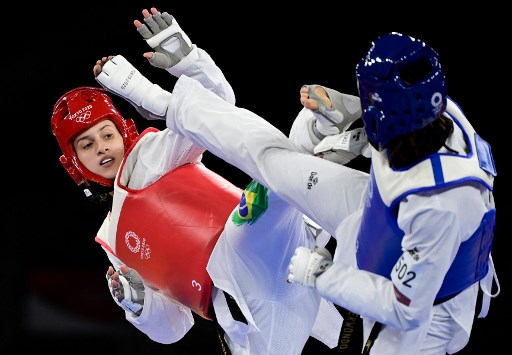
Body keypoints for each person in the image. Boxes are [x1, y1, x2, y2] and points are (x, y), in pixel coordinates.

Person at [95, 30, 499, 354]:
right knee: (278, 159)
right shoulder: (439, 115)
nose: (100, 148)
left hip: (420, 310)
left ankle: (321, 154)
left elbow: (402, 306)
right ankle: (318, 142)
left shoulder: (442, 207)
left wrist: (323, 275)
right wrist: (351, 112)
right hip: (363, 216)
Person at [53, 7, 370, 355]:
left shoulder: (150, 155)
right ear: (75, 164)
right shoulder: (111, 243)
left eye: (106, 134)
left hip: (248, 250)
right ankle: (313, 140)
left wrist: (187, 61)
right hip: (245, 317)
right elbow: (175, 328)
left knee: (267, 195)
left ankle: (313, 135)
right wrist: (140, 308)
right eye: (87, 144)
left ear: (124, 132)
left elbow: (214, 111)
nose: (102, 148)